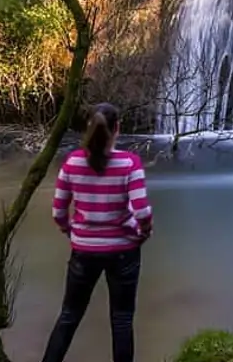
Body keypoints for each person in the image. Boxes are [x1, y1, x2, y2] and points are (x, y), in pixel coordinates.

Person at [42, 102, 153, 362]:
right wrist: (143, 233)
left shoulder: (71, 163)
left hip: (83, 252)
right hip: (124, 251)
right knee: (122, 320)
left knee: (69, 316)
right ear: (117, 129)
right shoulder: (130, 163)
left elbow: (58, 211)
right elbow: (143, 213)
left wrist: (71, 232)